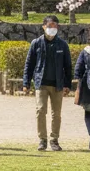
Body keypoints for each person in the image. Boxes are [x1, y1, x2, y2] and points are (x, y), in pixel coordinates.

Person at [22, 14, 73, 151]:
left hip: (57, 84)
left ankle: (54, 139)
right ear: (44, 26)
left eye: (55, 26)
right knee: (40, 110)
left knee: (56, 113)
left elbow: (68, 66)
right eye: (50, 26)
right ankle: (42, 139)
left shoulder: (62, 45)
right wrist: (26, 83)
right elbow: (29, 64)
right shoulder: (36, 43)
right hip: (41, 83)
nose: (52, 29)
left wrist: (67, 84)